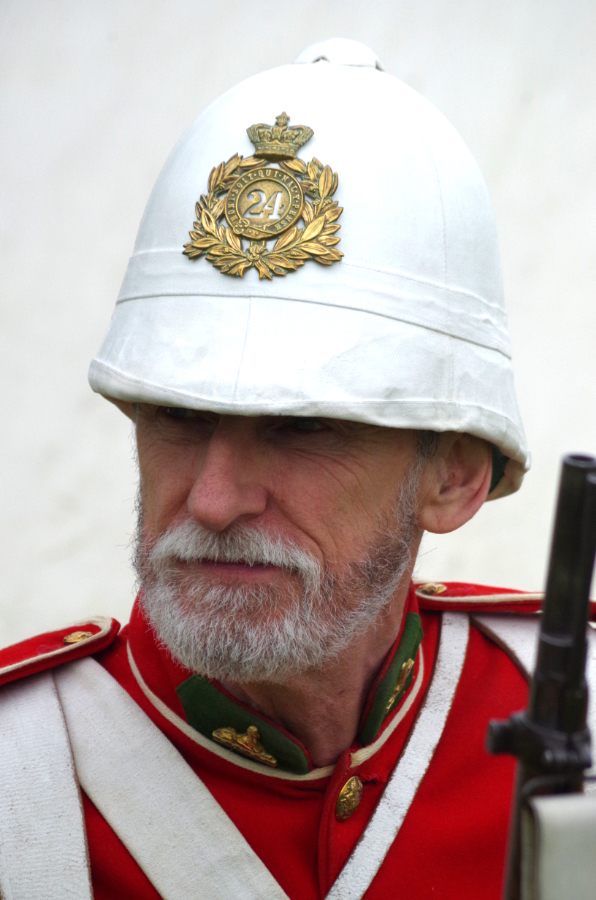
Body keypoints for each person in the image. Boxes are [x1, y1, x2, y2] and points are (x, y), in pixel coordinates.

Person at [1, 37, 587, 900]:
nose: (213, 500)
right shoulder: (19, 774)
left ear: (455, 475)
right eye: (179, 416)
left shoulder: (574, 714)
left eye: (302, 428)